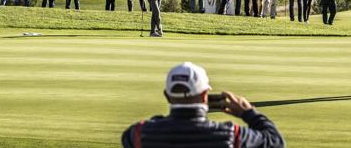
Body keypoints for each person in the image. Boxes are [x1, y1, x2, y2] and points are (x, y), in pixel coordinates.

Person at [121, 62, 285, 148]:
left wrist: (159, 122)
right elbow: (275, 142)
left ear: (167, 95)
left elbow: (132, 136)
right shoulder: (230, 135)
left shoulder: (138, 133)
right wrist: (248, 112)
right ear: (204, 95)